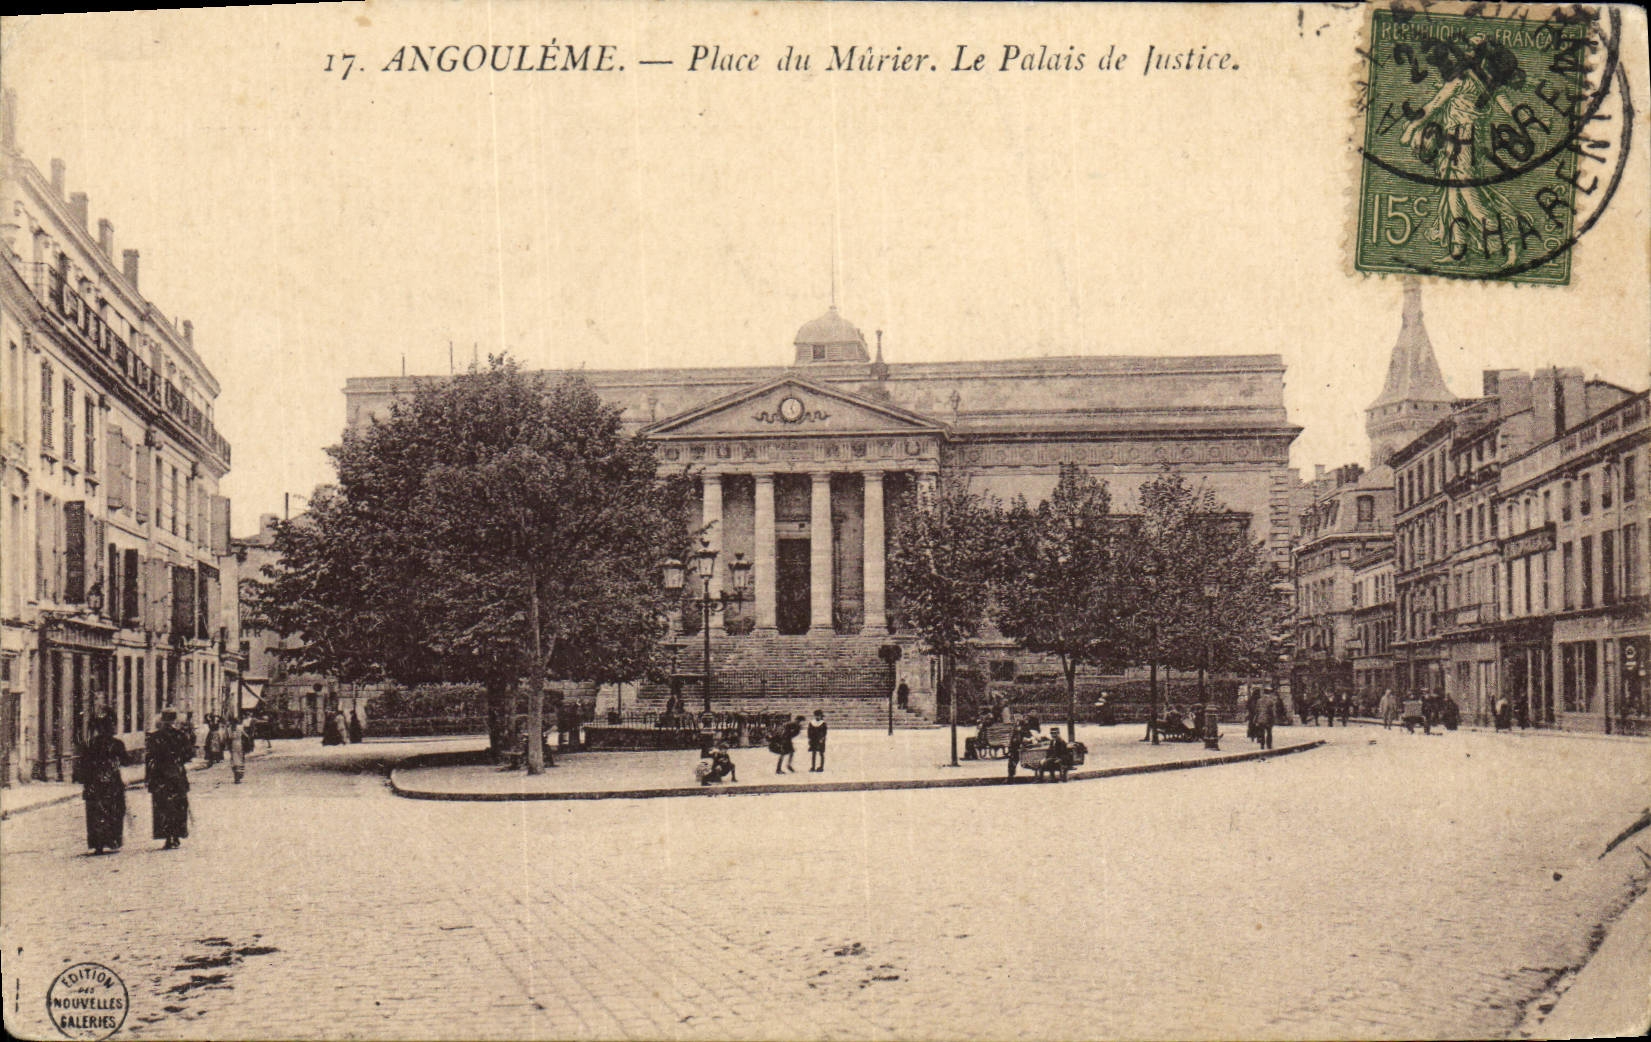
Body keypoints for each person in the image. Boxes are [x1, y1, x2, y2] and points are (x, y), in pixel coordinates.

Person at [145, 708, 192, 850]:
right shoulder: (181, 735)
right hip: (177, 774)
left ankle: (166, 837)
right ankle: (176, 836)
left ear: (162, 720)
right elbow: (188, 755)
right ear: (174, 720)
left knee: (162, 805)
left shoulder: (154, 737)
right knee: (179, 805)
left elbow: (149, 758)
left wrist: (148, 777)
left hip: (160, 775)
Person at [80, 714, 127, 855]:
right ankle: (112, 841)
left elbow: (83, 766)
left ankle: (97, 844)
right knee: (114, 810)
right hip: (112, 782)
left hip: (95, 782)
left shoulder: (89, 744)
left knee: (96, 812)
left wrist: (86, 783)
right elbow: (126, 760)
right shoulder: (117, 744)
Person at [228, 717, 248, 783]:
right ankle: (239, 775)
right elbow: (246, 736)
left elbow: (227, 738)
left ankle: (236, 777)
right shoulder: (240, 728)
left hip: (233, 745)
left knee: (234, 760)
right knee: (240, 759)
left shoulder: (229, 729)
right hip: (239, 744)